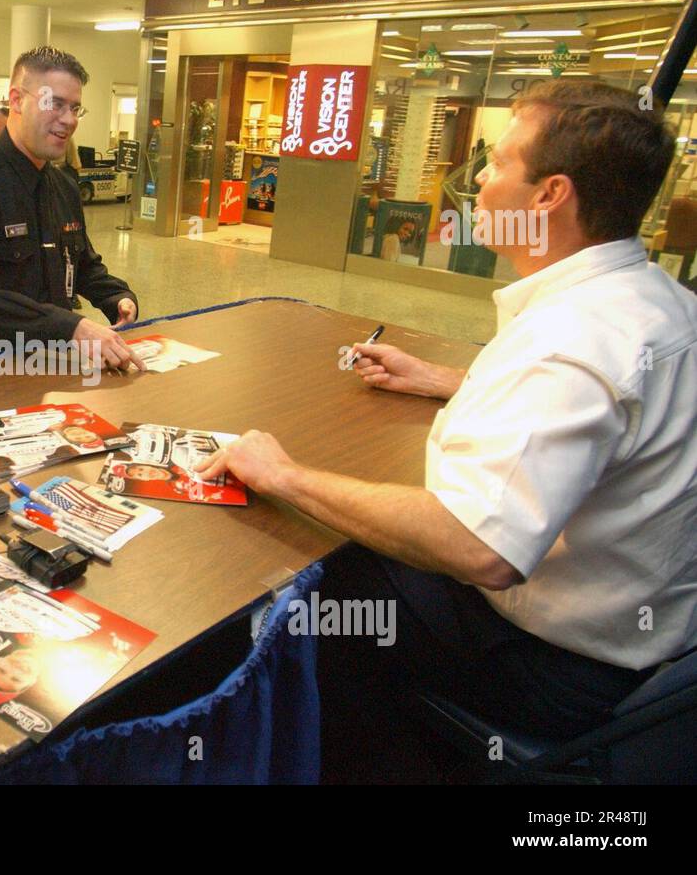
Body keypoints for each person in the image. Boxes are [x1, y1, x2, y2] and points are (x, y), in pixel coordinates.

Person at [196, 80, 697, 782]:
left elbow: (481, 544)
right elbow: (608, 422)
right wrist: (452, 382)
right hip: (641, 648)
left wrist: (284, 474)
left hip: (555, 669)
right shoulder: (655, 304)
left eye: (497, 162)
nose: (480, 179)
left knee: (316, 583)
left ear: (550, 195)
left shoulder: (572, 338)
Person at [0, 45, 143, 369]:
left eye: (75, 108)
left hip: (49, 366)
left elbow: (81, 264)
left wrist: (117, 297)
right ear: (16, 100)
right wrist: (71, 326)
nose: (69, 120)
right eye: (54, 104)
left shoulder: (63, 187)